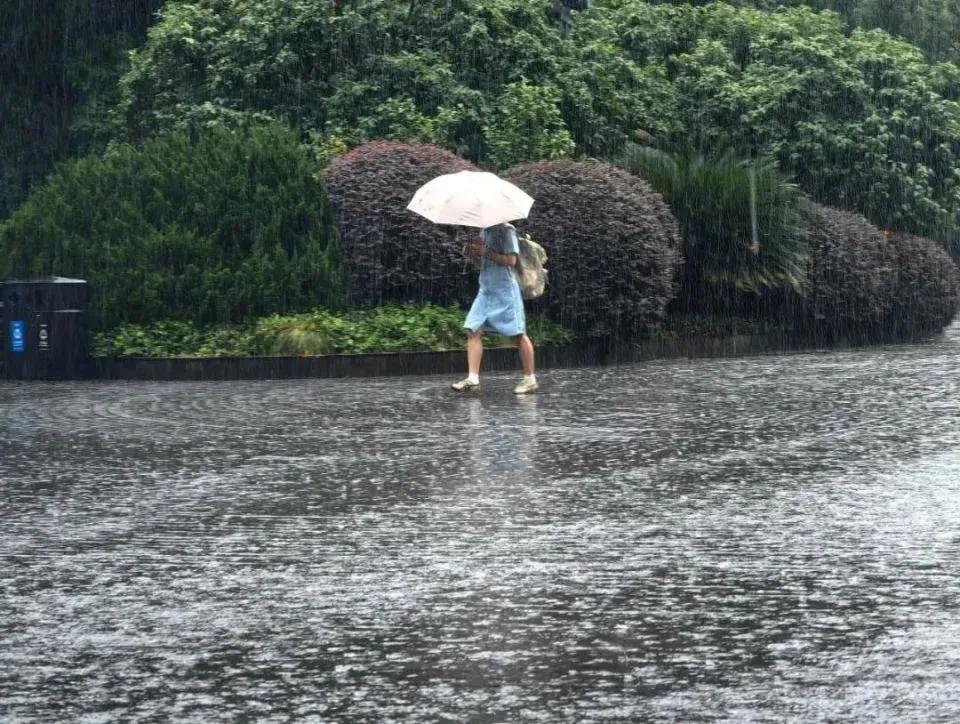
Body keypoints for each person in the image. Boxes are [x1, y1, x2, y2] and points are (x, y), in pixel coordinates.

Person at [451, 223, 538, 395]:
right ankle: (473, 378)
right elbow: (485, 260)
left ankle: (530, 379)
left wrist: (485, 252)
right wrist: (473, 252)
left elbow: (511, 261)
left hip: (505, 290)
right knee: (473, 329)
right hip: (486, 290)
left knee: (519, 334)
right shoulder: (484, 230)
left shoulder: (507, 231)